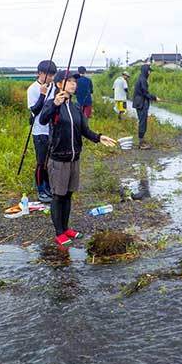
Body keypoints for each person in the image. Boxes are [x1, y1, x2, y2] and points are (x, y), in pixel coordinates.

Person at [39, 69, 117, 251]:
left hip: (74, 158)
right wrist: (54, 104)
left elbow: (84, 130)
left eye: (75, 81)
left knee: (68, 194)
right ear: (59, 84)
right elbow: (42, 120)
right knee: (58, 196)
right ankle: (59, 232)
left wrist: (99, 137)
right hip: (58, 159)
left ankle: (66, 228)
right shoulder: (53, 104)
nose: (74, 84)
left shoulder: (75, 108)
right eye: (70, 81)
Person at [27, 60, 56, 203]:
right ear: (39, 73)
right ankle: (41, 189)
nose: (50, 77)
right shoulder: (32, 89)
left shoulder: (54, 87)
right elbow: (34, 110)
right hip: (39, 131)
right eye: (47, 74)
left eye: (52, 75)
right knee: (41, 162)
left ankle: (49, 187)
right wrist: (43, 95)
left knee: (50, 162)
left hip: (52, 130)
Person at [132, 64, 160, 149]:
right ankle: (141, 143)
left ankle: (142, 140)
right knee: (142, 122)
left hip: (139, 102)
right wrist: (154, 97)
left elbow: (143, 93)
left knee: (142, 121)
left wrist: (152, 98)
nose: (150, 73)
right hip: (141, 103)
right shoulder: (143, 80)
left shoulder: (141, 78)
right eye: (149, 71)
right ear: (146, 71)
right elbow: (145, 93)